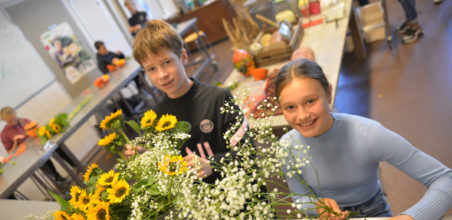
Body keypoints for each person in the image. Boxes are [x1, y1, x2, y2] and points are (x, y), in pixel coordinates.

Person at [275, 59, 452, 219]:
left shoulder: (368, 134)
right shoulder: (286, 147)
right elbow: (299, 197)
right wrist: (317, 206)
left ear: (328, 93)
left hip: (372, 212)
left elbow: (446, 180)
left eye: (310, 101)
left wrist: (410, 217)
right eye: (290, 107)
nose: (302, 115)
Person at [123, 20, 250, 183]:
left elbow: (247, 152)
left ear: (183, 57)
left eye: (167, 62)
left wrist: (212, 164)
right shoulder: (155, 118)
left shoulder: (218, 98)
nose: (162, 74)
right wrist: (143, 155)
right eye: (152, 69)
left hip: (239, 192)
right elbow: (166, 168)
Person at [0, 107, 75, 185]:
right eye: (10, 121)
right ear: (3, 120)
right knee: (44, 160)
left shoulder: (24, 121)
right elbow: (10, 153)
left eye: (14, 119)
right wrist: (15, 142)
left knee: (56, 148)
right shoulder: (4, 134)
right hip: (30, 154)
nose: (13, 122)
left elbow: (39, 130)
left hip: (40, 145)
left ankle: (74, 164)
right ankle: (58, 178)